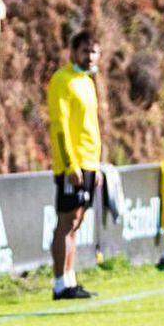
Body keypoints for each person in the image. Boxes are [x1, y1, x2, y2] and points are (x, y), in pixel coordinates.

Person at [47, 30, 103, 300]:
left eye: (94, 52)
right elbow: (60, 125)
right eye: (85, 51)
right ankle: (59, 283)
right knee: (66, 222)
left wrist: (97, 165)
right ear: (73, 51)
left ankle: (70, 279)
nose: (90, 57)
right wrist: (71, 165)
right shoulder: (62, 80)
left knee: (77, 222)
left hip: (90, 163)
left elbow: (90, 127)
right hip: (74, 164)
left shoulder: (88, 82)